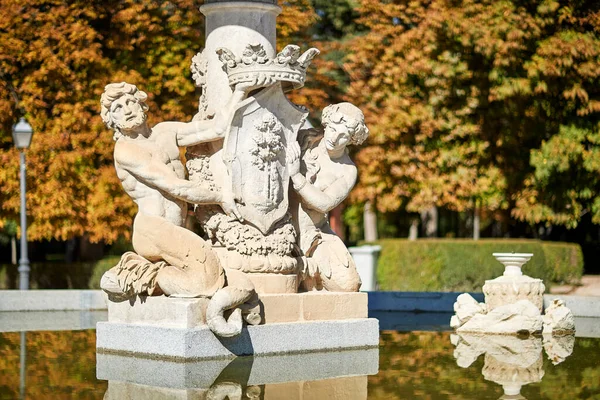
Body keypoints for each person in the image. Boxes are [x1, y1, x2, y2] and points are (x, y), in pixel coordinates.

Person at [100, 81, 250, 297]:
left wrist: (240, 91)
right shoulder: (126, 150)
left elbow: (218, 128)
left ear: (141, 104)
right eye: (118, 108)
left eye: (130, 102)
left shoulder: (165, 131)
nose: (127, 110)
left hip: (175, 228)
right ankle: (147, 277)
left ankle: (147, 273)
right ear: (112, 120)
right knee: (206, 275)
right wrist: (220, 196)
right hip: (152, 228)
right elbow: (176, 187)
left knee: (211, 270)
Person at [288, 102, 369, 292]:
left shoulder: (347, 171)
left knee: (349, 285)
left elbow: (324, 203)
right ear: (326, 124)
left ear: (351, 139)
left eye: (343, 135)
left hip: (314, 234)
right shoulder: (306, 139)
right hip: (282, 225)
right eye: (332, 129)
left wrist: (296, 176)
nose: (334, 137)